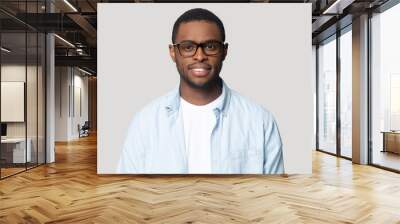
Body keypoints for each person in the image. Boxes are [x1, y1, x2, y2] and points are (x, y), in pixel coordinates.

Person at [117, 8, 284, 174]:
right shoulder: (144, 122)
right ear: (173, 52)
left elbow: (274, 194)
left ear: (224, 51)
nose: (200, 56)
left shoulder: (260, 120)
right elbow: (127, 193)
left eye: (210, 46)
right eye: (188, 47)